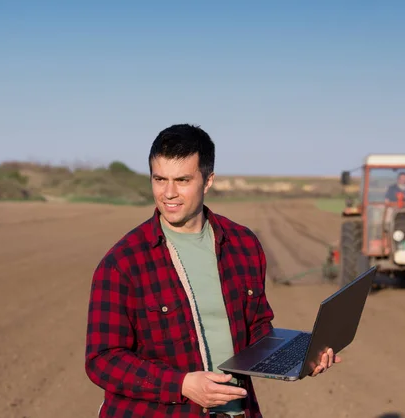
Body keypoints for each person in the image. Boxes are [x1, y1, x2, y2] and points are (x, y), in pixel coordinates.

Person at [85, 124, 341, 418]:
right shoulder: (122, 263)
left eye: (182, 180)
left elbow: (256, 327)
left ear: (207, 181)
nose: (169, 193)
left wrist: (300, 357)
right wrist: (180, 384)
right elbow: (102, 359)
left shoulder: (243, 244)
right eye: (160, 179)